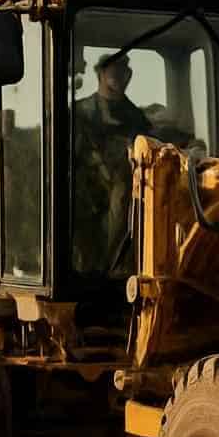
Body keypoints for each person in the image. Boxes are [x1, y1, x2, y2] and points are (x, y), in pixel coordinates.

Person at [72, 52, 153, 275]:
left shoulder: (136, 117)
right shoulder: (79, 113)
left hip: (125, 192)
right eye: (115, 71)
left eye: (125, 71)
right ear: (100, 73)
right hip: (83, 196)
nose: (122, 76)